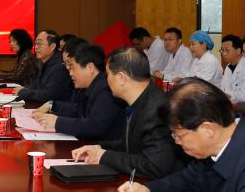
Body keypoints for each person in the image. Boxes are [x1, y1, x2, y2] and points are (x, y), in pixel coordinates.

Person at [71, 47, 183, 178]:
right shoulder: (139, 98)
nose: (106, 80)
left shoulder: (157, 109)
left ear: (121, 78)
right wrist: (98, 147)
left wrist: (103, 156)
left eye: (108, 75)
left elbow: (153, 165)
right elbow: (129, 145)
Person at [30, 43, 123, 141]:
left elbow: (94, 126)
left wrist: (57, 122)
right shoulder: (91, 86)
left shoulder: (105, 89)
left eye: (73, 68)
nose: (70, 73)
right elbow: (77, 110)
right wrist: (52, 105)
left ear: (90, 67)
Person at [15, 30, 74, 105]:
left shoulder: (59, 66)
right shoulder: (47, 62)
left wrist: (24, 92)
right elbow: (37, 85)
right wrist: (26, 89)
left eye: (39, 44)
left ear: (52, 47)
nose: (36, 47)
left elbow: (48, 95)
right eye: (35, 44)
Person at [219, 34, 245, 103]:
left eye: (227, 50)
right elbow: (223, 88)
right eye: (222, 50)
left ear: (238, 51)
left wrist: (230, 95)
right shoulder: (228, 67)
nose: (224, 54)